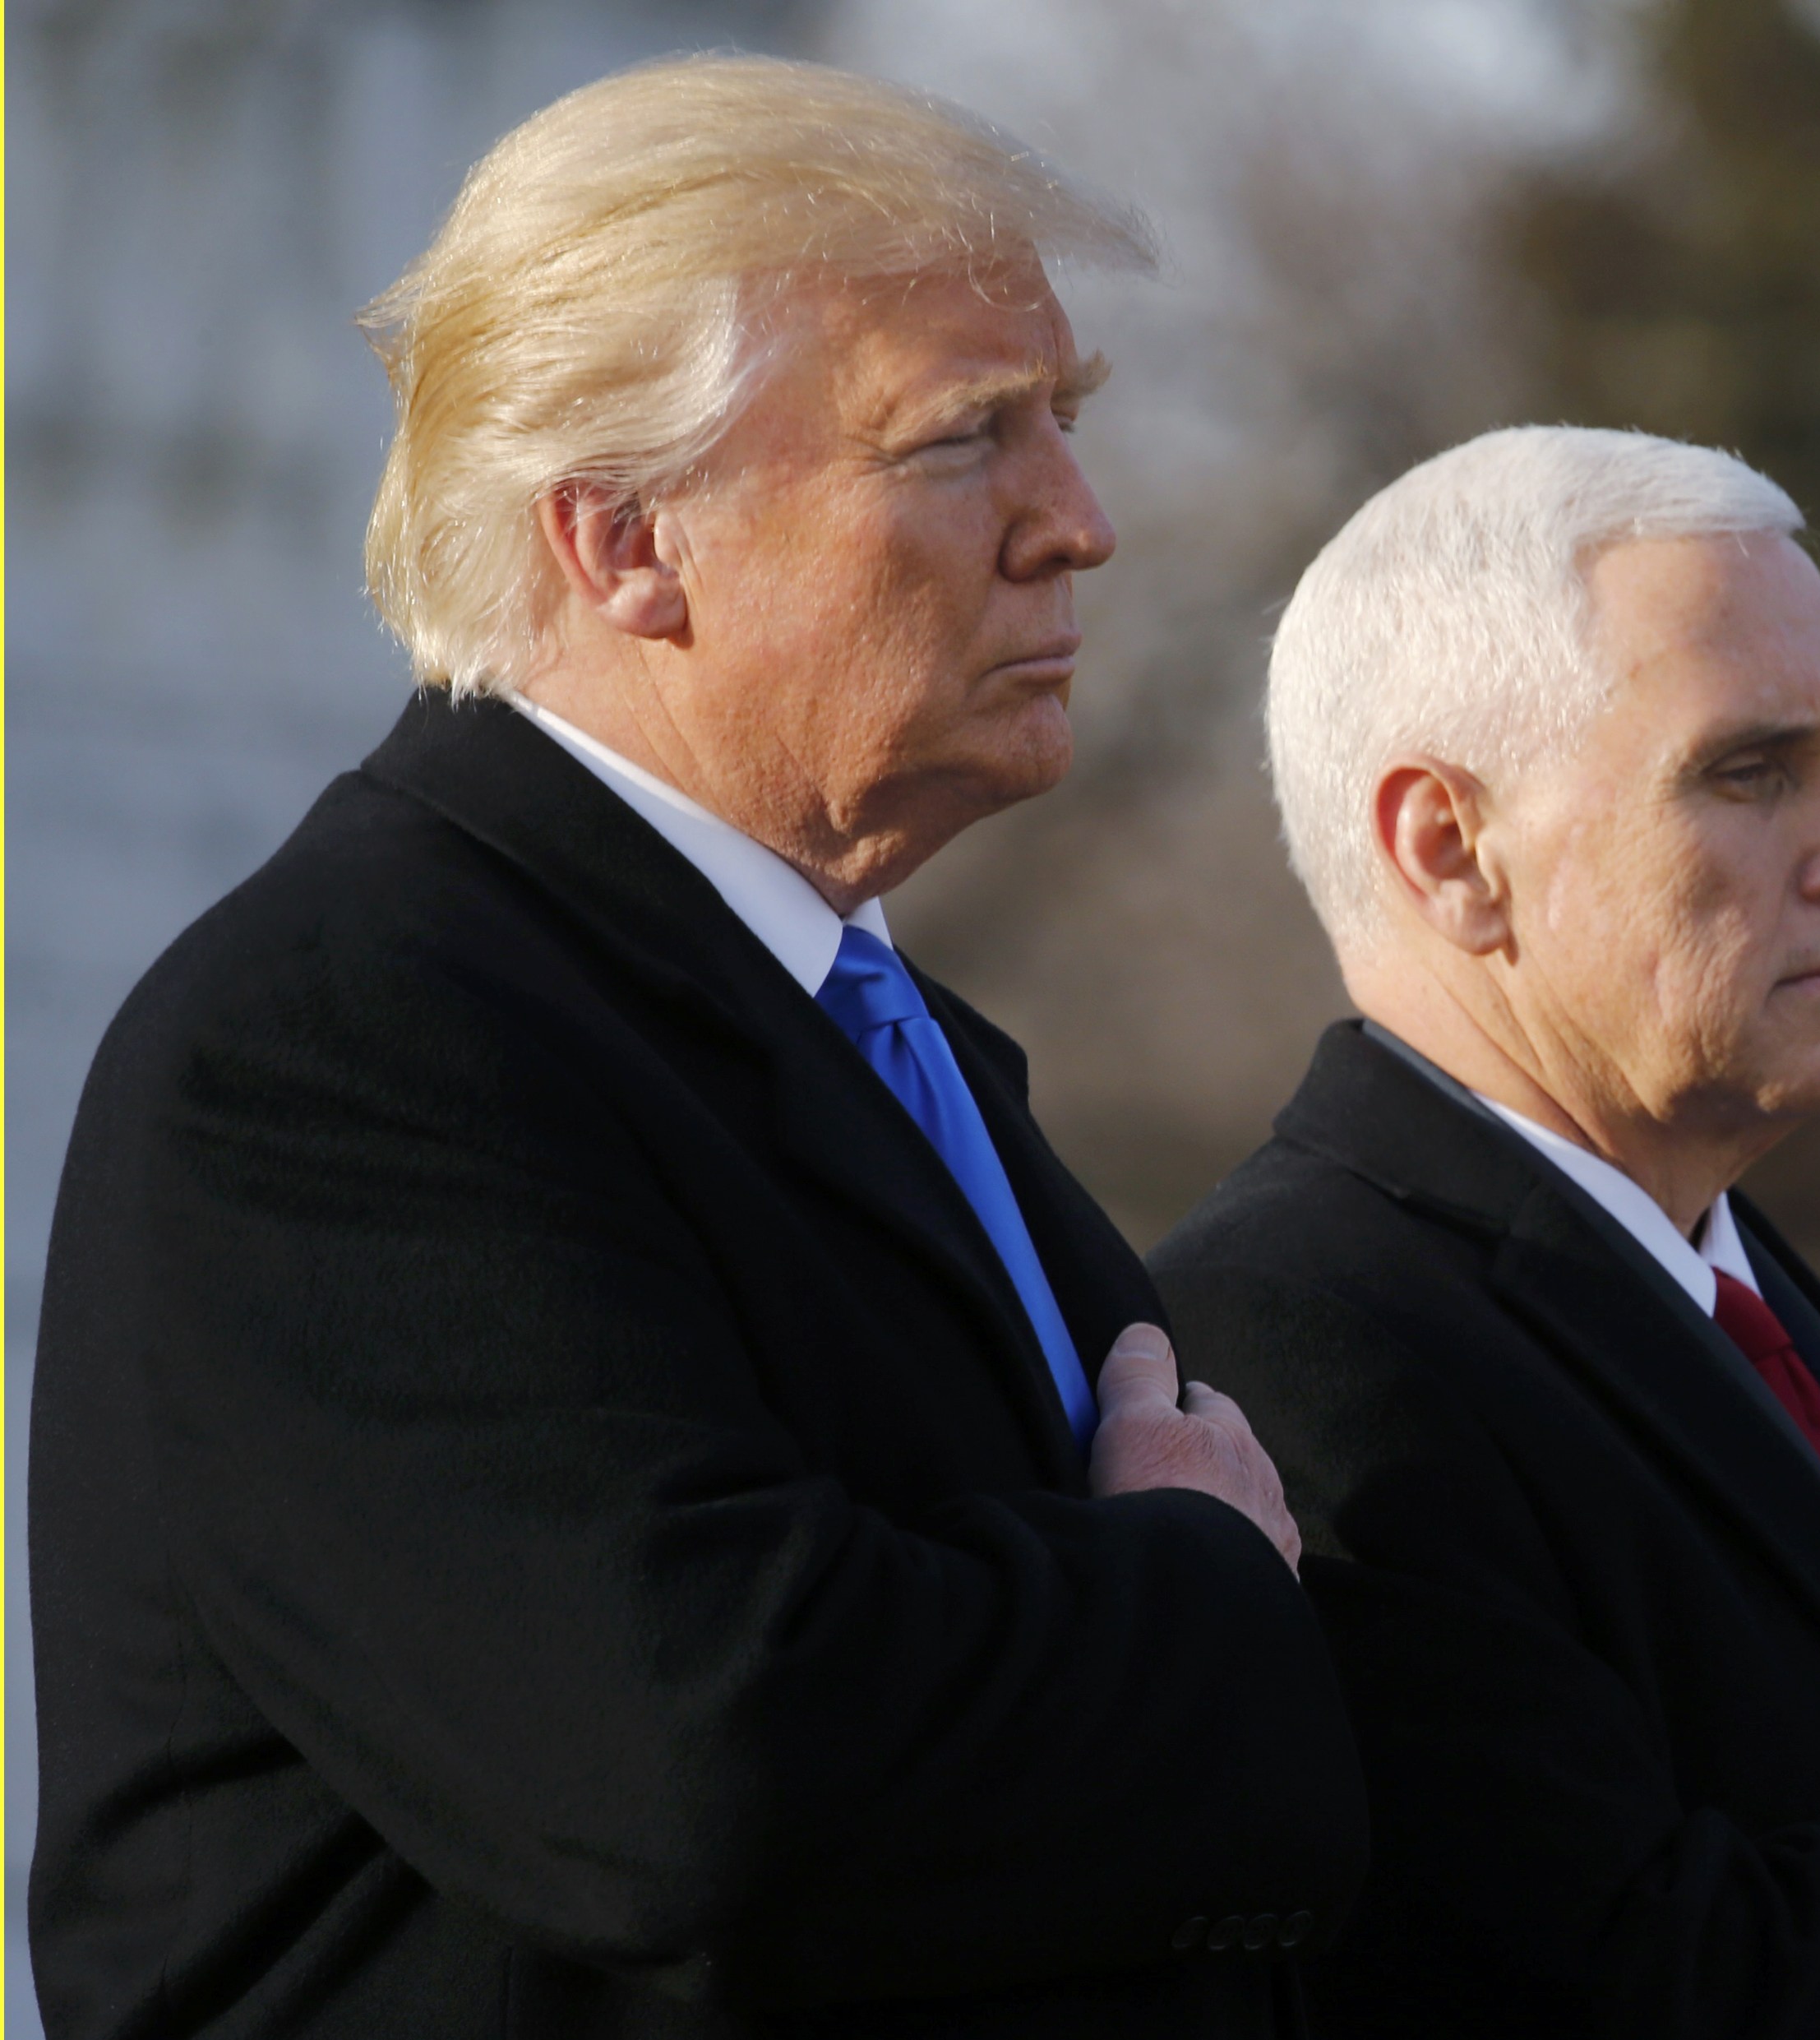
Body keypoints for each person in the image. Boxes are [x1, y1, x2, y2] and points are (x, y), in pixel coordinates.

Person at [29, 56, 1365, 2039]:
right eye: (958, 438)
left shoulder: (885, 1042)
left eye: (1062, 421)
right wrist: (1191, 1576)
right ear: (625, 541)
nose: (1075, 521)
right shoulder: (340, 1041)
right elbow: (703, 1763)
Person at [1148, 426, 1820, 2038]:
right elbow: (1585, 1986)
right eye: (1748, 770)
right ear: (1448, 848)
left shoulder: (1724, 1272)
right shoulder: (1297, 1343)